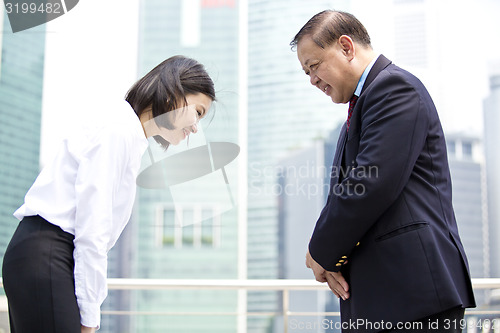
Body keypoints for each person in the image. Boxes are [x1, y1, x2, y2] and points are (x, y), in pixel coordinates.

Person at [291, 10, 476, 332]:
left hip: (414, 294)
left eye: (314, 66)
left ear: (346, 47)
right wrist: (328, 252)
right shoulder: (365, 102)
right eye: (306, 72)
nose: (312, 80)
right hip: (388, 296)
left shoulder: (394, 89)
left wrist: (319, 251)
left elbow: (368, 183)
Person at [1, 55, 215, 333]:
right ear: (174, 91)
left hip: (43, 256)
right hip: (48, 255)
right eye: (197, 112)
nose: (196, 127)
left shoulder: (129, 135)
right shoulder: (119, 131)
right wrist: (89, 318)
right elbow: (93, 230)